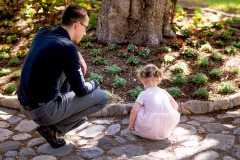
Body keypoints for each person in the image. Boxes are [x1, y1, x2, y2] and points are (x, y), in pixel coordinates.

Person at [17, 4, 108, 148]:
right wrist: (95, 83)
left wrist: (78, 55)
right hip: (44, 112)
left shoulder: (42, 33)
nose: (85, 33)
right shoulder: (67, 47)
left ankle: (56, 120)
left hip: (24, 105)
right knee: (102, 98)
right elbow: (82, 90)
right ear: (77, 25)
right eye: (86, 28)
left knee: (66, 70)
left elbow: (61, 47)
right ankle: (53, 129)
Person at [128, 64, 180, 140]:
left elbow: (134, 111)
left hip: (150, 125)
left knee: (140, 108)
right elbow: (175, 106)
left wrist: (131, 124)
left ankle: (144, 130)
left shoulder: (143, 94)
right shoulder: (164, 92)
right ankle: (163, 129)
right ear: (159, 80)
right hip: (166, 127)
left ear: (142, 79)